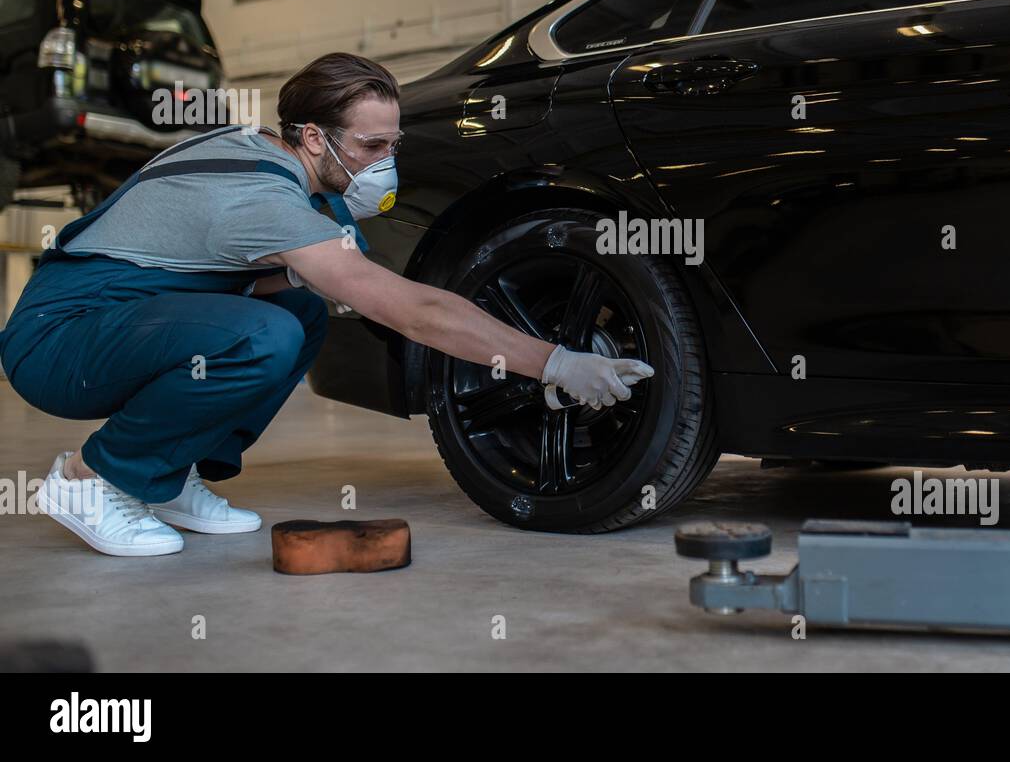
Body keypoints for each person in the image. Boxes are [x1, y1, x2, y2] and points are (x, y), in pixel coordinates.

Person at [0, 52, 652, 557]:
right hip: (59, 339)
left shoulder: (269, 157)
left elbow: (322, 286)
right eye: (372, 146)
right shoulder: (264, 201)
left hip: (125, 313)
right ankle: (95, 478)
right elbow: (413, 311)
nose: (387, 161)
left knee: (301, 313)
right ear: (314, 137)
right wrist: (553, 361)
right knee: (261, 338)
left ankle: (165, 477)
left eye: (392, 143)